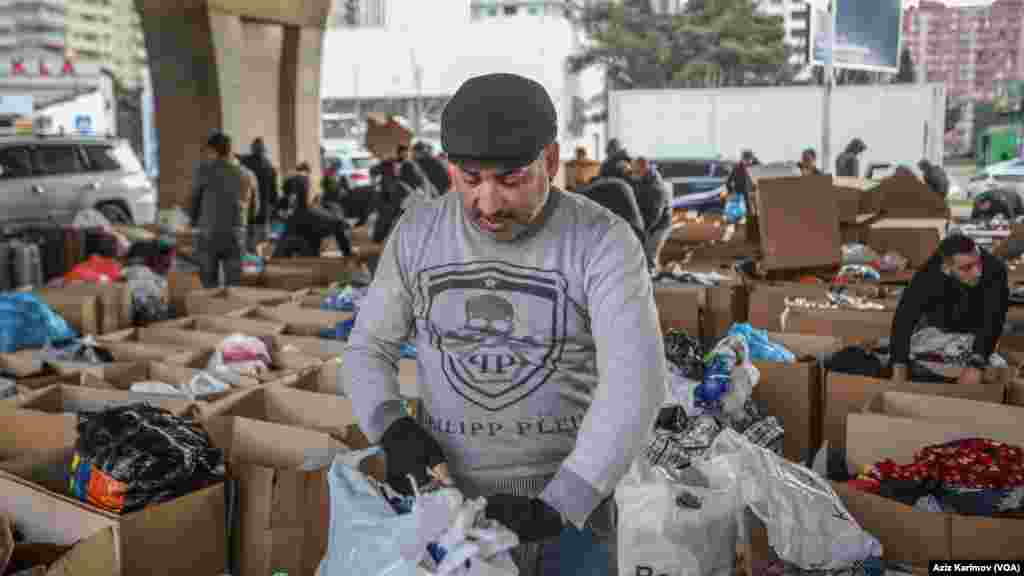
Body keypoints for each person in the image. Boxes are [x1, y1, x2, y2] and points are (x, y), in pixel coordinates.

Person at [343, 72, 666, 575]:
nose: (488, 203)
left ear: (550, 162)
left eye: (510, 180)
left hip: (571, 516)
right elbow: (368, 348)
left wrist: (564, 500)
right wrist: (391, 423)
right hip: (450, 509)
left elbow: (637, 380)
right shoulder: (418, 234)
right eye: (470, 178)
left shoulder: (602, 241)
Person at [890, 235, 1009, 386]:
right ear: (946, 269)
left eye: (978, 263)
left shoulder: (995, 269)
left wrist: (976, 363)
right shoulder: (929, 273)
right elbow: (905, 316)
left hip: (977, 331)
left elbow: (993, 319)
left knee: (993, 372)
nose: (977, 272)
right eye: (966, 268)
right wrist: (899, 364)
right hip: (938, 329)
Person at [192, 132, 248, 288]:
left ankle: (211, 302)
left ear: (213, 150)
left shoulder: (204, 170)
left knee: (209, 284)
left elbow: (195, 199)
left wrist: (193, 221)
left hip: (209, 233)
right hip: (235, 234)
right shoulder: (244, 173)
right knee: (235, 286)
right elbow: (251, 206)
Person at [277, 162, 352, 257]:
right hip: (305, 216)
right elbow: (304, 200)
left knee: (313, 235)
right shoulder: (303, 178)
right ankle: (347, 253)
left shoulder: (295, 181)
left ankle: (313, 254)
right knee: (337, 223)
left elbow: (289, 199)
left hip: (301, 220)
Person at [631, 156, 672, 271]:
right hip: (649, 221)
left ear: (644, 168)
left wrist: (643, 231)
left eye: (636, 171)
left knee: (649, 256)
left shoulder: (655, 186)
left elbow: (654, 215)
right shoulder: (643, 179)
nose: (633, 174)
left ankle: (651, 277)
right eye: (632, 171)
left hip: (659, 225)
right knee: (644, 255)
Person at [241, 137, 279, 245]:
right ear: (264, 150)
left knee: (247, 244)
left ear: (252, 149)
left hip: (247, 211)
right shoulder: (270, 167)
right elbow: (274, 196)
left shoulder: (245, 162)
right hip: (263, 213)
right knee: (260, 245)